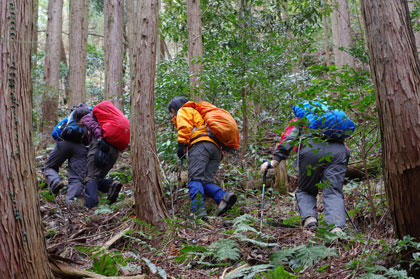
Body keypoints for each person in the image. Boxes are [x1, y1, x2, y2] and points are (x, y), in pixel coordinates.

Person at [260, 117, 350, 233]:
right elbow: (345, 145)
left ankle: (310, 220)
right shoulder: (333, 119)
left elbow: (290, 137)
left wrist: (276, 160)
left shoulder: (302, 117)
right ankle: (336, 228)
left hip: (311, 150)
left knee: (306, 190)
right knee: (333, 191)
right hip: (339, 151)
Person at [168, 96, 237, 217]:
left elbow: (185, 127)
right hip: (215, 149)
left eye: (173, 112)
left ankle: (198, 211)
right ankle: (223, 197)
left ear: (176, 107)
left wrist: (181, 145)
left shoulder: (184, 110)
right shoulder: (198, 113)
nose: (173, 115)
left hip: (201, 146)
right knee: (204, 182)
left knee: (195, 179)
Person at [43, 106, 91, 203]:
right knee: (77, 177)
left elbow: (55, 132)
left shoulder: (70, 119)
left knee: (49, 167)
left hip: (64, 144)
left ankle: (55, 181)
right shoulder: (91, 121)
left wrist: (60, 142)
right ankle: (70, 202)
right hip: (81, 148)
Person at [82, 111, 123, 209]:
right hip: (114, 150)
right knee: (97, 177)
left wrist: (100, 139)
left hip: (101, 147)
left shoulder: (87, 117)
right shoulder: (108, 120)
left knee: (91, 177)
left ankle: (92, 206)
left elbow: (94, 128)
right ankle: (111, 184)